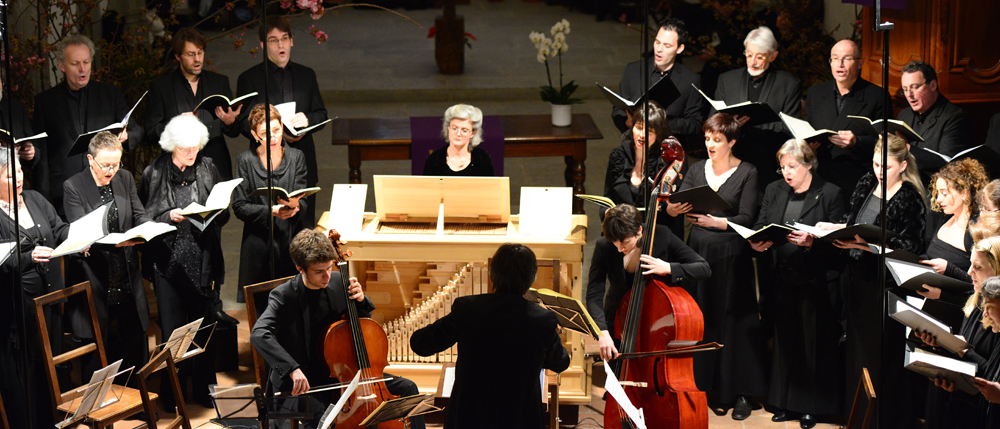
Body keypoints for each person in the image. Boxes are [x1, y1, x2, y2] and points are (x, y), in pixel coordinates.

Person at [251, 229, 423, 429]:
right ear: (300, 268)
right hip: (306, 383)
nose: (327, 276)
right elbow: (259, 333)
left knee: (408, 388)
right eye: (319, 271)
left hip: (344, 376)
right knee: (330, 421)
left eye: (329, 267)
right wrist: (292, 369)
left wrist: (360, 300)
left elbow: (362, 323)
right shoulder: (283, 296)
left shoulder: (338, 282)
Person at [816, 134, 926, 428]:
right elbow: (855, 224)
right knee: (857, 355)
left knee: (881, 358)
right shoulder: (866, 184)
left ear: (903, 165)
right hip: (857, 282)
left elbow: (912, 249)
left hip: (885, 287)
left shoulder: (909, 198)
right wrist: (834, 227)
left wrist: (867, 247)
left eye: (886, 167)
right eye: (876, 164)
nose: (879, 171)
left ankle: (883, 421)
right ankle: (858, 419)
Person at [665, 113, 765, 419]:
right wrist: (672, 208)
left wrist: (718, 222)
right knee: (702, 318)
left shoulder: (747, 171)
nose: (710, 144)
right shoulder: (696, 169)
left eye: (717, 140)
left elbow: (747, 217)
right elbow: (678, 206)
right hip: (698, 252)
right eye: (707, 138)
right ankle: (707, 386)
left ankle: (738, 392)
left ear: (731, 142)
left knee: (733, 320)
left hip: (731, 254)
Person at [411, 243, 570, 429]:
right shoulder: (543, 319)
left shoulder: (467, 309)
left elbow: (420, 344)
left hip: (469, 418)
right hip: (520, 418)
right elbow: (561, 362)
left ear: (492, 275)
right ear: (532, 279)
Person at [748, 139, 845, 428]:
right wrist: (757, 241)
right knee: (785, 342)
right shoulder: (775, 190)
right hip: (782, 276)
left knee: (812, 344)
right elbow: (761, 223)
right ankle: (785, 403)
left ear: (808, 164)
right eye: (783, 168)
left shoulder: (830, 193)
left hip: (815, 280)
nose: (786, 173)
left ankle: (810, 407)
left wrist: (811, 243)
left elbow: (840, 244)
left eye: (792, 167)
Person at [138, 115, 230, 408]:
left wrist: (217, 210)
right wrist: (169, 215)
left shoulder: (207, 167)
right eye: (185, 148)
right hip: (167, 264)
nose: (192, 154)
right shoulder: (154, 172)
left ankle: (204, 393)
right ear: (171, 146)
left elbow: (223, 215)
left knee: (204, 329)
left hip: (202, 261)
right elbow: (142, 216)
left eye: (196, 147)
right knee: (173, 334)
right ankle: (172, 395)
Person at [63, 131, 151, 382]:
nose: (111, 170)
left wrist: (148, 228)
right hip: (96, 276)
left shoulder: (123, 178)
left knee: (133, 342)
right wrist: (113, 241)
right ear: (90, 159)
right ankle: (100, 412)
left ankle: (138, 401)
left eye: (116, 164)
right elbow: (81, 230)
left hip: (125, 274)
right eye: (105, 165)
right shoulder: (73, 186)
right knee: (98, 347)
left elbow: (138, 213)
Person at [0, 148, 76, 428]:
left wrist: (79, 235)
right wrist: (27, 258)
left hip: (51, 300)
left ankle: (54, 421)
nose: (18, 178)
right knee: (29, 368)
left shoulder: (33, 198)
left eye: (19, 171)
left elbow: (58, 229)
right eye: (10, 175)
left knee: (51, 366)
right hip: (20, 306)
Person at [33, 35, 142, 214]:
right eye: (75, 63)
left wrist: (126, 136)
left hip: (107, 185)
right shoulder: (46, 102)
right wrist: (43, 199)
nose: (82, 69)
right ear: (62, 66)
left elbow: (136, 129)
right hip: (66, 192)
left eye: (86, 62)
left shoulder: (110, 94)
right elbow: (42, 156)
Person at [587, 203, 710, 359]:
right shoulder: (604, 245)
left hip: (656, 320)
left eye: (624, 243)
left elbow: (703, 268)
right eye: (615, 244)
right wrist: (602, 332)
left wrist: (668, 267)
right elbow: (594, 293)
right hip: (618, 321)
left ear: (639, 231)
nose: (619, 249)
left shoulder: (661, 235)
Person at [237, 16, 328, 228]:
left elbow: (321, 114)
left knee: (303, 231)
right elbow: (243, 124)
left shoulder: (307, 75)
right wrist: (266, 130)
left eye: (285, 39)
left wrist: (308, 119)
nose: (281, 45)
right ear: (262, 44)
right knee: (269, 231)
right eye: (273, 40)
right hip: (264, 167)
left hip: (302, 163)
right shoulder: (249, 79)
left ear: (292, 41)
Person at [919, 236, 1000, 429]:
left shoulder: (997, 314)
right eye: (970, 265)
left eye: (978, 267)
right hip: (960, 405)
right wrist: (944, 347)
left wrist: (963, 350)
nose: (970, 272)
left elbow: (992, 374)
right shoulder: (976, 300)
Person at [232, 104, 308, 302]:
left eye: (276, 130)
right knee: (260, 313)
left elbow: (305, 200)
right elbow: (239, 206)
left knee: (291, 311)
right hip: (257, 245)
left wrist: (295, 205)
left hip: (289, 243)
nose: (273, 137)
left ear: (282, 127)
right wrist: (271, 211)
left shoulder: (296, 157)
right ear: (254, 135)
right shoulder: (245, 161)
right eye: (265, 133)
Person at [145, 28, 242, 181]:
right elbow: (150, 134)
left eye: (200, 52)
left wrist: (231, 122)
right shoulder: (161, 87)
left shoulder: (219, 82)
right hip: (178, 170)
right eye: (190, 54)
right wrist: (175, 125)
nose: (197, 59)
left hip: (216, 167)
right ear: (178, 56)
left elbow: (234, 132)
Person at [712, 26, 801, 187]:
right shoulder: (727, 80)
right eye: (749, 54)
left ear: (773, 56)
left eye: (759, 57)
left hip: (769, 165)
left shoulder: (788, 84)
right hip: (731, 163)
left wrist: (756, 124)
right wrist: (730, 125)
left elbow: (792, 128)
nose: (752, 62)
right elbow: (712, 121)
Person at [804, 40, 890, 202]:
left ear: (860, 63)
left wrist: (857, 142)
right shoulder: (816, 92)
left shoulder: (876, 96)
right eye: (835, 58)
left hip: (856, 176)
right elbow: (807, 127)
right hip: (819, 172)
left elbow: (887, 143)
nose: (840, 64)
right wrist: (808, 143)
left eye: (846, 58)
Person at [611, 18, 704, 151]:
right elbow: (617, 110)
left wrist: (662, 124)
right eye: (657, 42)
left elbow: (695, 124)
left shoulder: (690, 80)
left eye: (667, 46)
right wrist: (628, 122)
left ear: (680, 48)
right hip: (635, 151)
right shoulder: (633, 70)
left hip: (670, 154)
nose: (659, 49)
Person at [917, 159, 988, 306]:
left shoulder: (975, 229)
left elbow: (982, 286)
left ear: (964, 193)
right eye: (938, 193)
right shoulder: (945, 218)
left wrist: (949, 270)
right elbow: (932, 256)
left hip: (955, 309)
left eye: (944, 194)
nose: (938, 199)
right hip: (931, 302)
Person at [896, 61, 974, 177]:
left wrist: (906, 148)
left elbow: (949, 164)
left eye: (915, 87)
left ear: (933, 85)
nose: (909, 94)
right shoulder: (903, 115)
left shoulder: (955, 117)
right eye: (905, 89)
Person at [603, 101, 668, 215]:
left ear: (658, 135)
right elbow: (607, 198)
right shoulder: (618, 156)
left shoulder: (664, 162)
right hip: (622, 227)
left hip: (653, 228)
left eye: (649, 132)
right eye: (638, 127)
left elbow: (666, 207)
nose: (642, 134)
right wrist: (607, 212)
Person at [422, 104, 494, 176]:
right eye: (454, 128)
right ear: (448, 128)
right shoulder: (434, 160)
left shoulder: (483, 160)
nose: (458, 134)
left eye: (464, 130)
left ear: (473, 133)